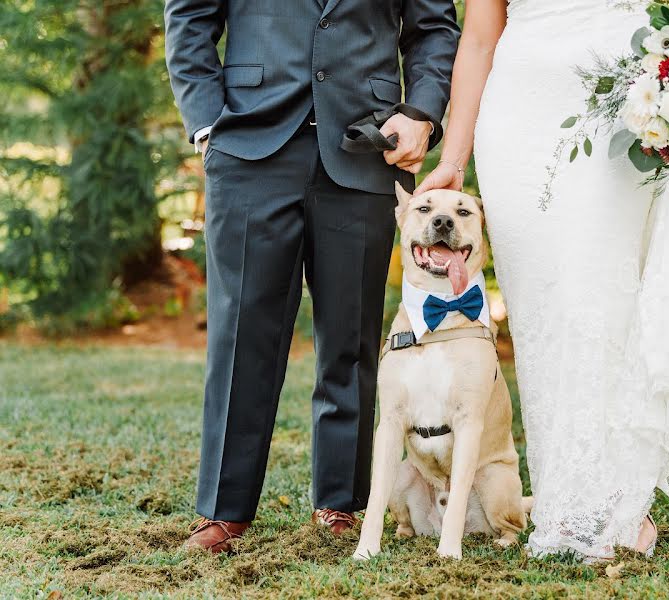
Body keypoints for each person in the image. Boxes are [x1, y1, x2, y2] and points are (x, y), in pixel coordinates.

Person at [417, 0, 669, 562]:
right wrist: (455, 155)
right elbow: (478, 39)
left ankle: (621, 501)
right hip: (518, 117)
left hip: (623, 107)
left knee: (600, 299)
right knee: (542, 310)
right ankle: (566, 499)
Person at [163, 0, 459, 553]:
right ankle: (224, 511)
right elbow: (189, 15)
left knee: (351, 337)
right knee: (241, 333)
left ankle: (340, 503)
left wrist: (420, 111)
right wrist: (206, 123)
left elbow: (434, 27)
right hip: (248, 144)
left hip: (365, 147)